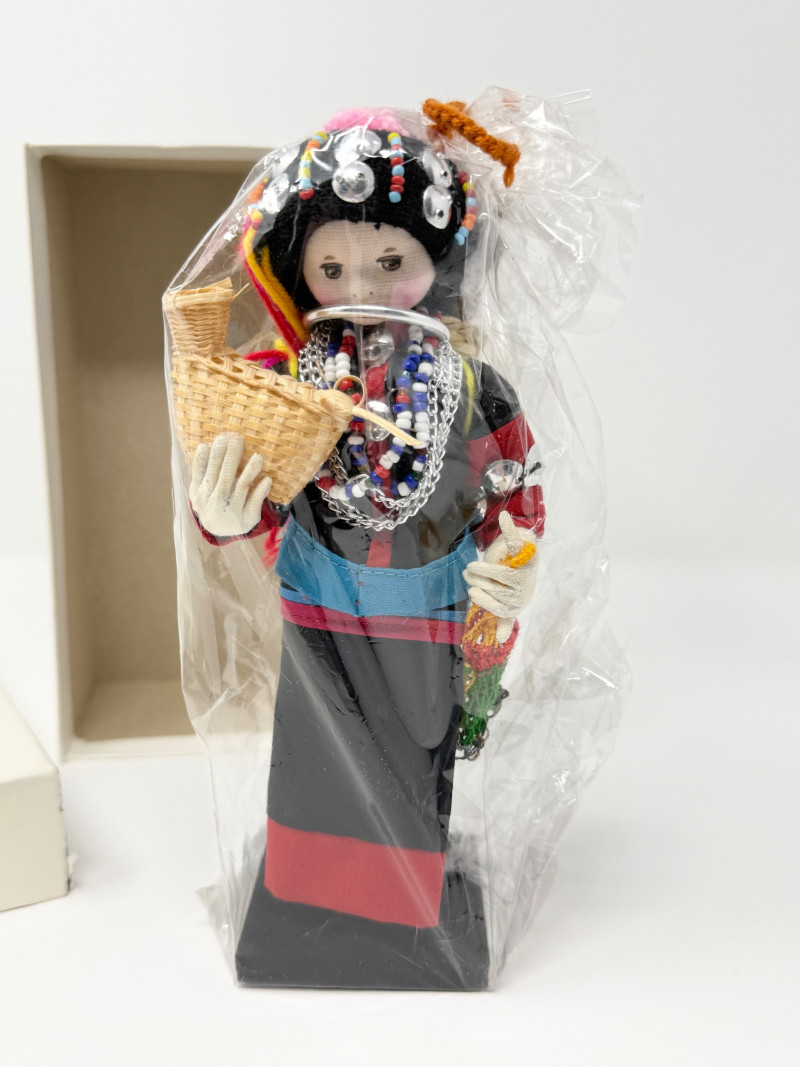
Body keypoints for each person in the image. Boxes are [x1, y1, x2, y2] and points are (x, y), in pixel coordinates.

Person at [187, 111, 544, 990]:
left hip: (429, 613)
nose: (362, 286)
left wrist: (515, 563)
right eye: (333, 267)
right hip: (316, 611)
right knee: (314, 763)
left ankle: (404, 904)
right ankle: (309, 896)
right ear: (298, 271)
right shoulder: (284, 383)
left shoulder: (473, 387)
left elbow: (517, 496)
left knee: (416, 759)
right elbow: (248, 492)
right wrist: (222, 511)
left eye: (390, 262)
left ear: (438, 262)